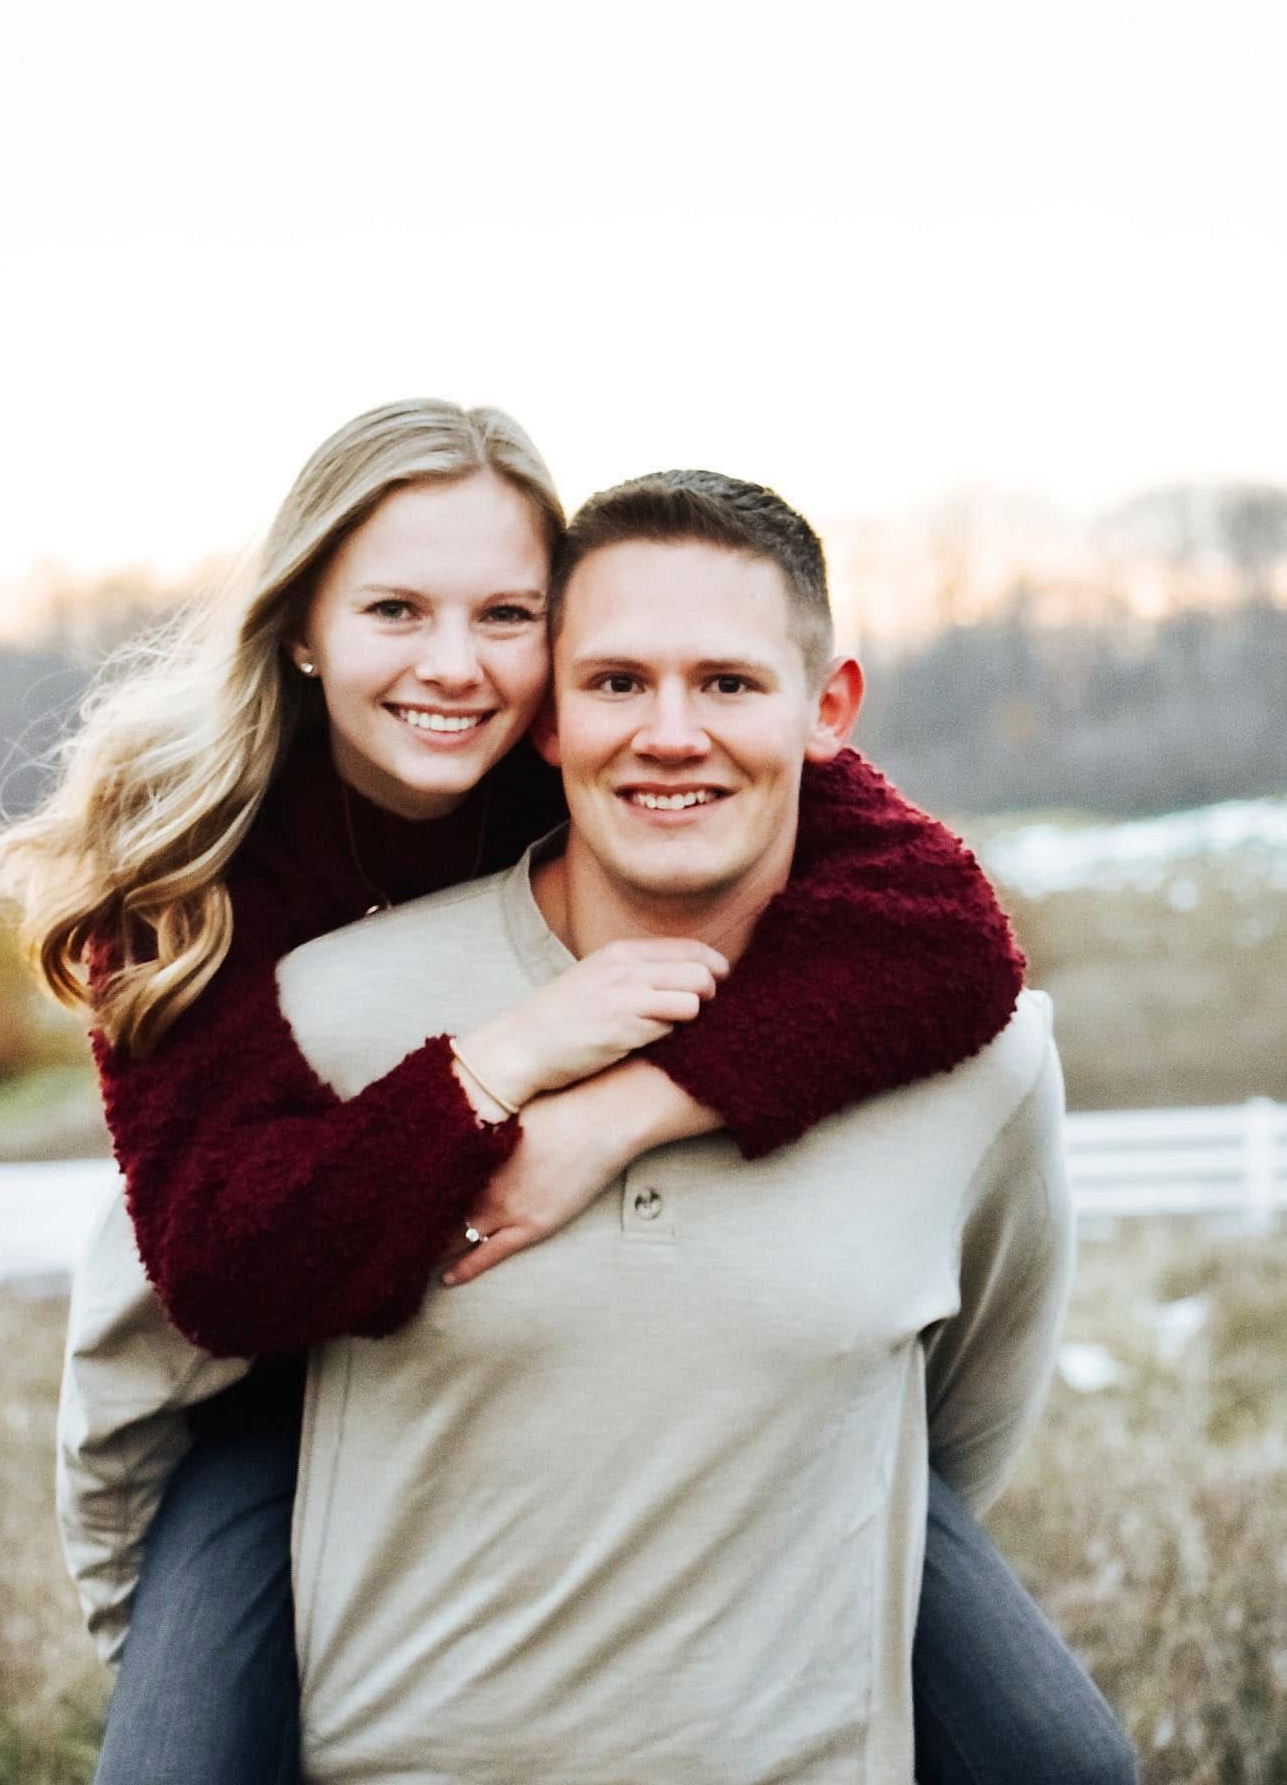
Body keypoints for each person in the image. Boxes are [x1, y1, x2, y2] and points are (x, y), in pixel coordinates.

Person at [0, 403, 1130, 1779]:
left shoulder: (617, 745)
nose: (454, 668)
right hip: (292, 1367)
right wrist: (492, 1070)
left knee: (1063, 1758)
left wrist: (618, 1110)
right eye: (394, 610)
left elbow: (945, 937)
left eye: (507, 615)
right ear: (300, 628)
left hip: (740, 1409)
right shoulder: (200, 874)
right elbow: (220, 1270)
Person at [262, 466, 1103, 1781]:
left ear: (827, 710)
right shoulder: (328, 1008)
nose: (667, 733)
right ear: (544, 715)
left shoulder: (977, 1063)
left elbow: (948, 1439)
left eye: (725, 683)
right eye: (613, 683)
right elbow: (144, 1416)